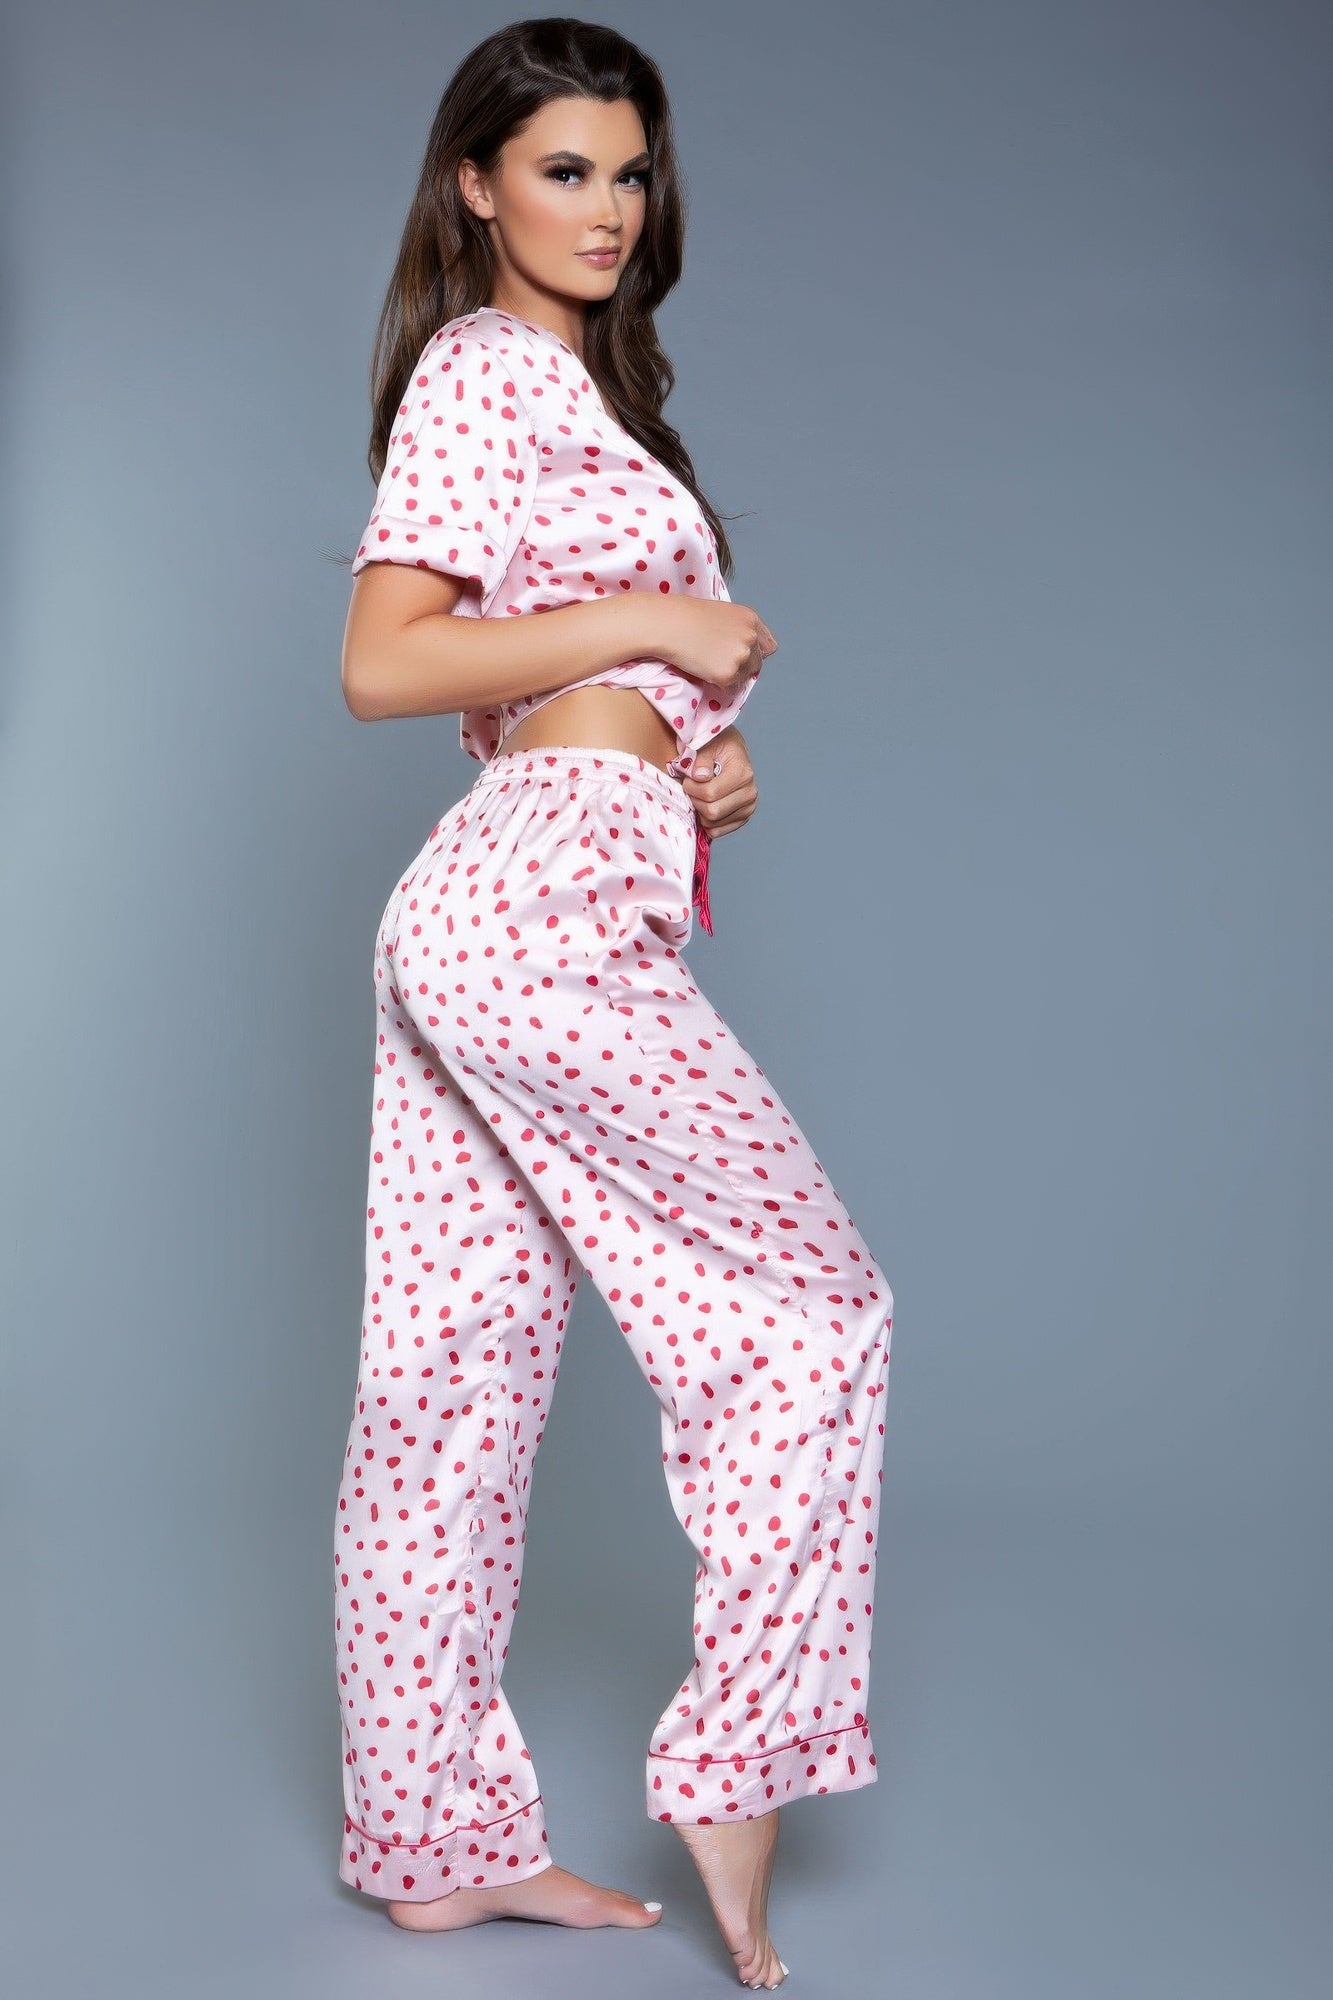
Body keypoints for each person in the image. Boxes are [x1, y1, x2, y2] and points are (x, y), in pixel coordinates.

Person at [332, 19, 894, 1991]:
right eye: (562, 169)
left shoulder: (584, 396)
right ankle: (738, 1763)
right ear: (475, 183)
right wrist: (660, 625)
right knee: (810, 1311)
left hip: (511, 883)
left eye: (629, 173)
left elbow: (521, 683)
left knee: (447, 1390)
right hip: (535, 901)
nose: (604, 207)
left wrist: (686, 754)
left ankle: (427, 1844)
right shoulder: (486, 369)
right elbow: (384, 661)